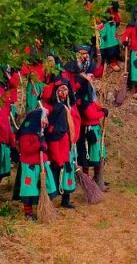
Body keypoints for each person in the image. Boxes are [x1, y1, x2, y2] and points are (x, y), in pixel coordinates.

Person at [12, 107, 58, 219]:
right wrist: (39, 146)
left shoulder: (39, 132)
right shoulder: (25, 134)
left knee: (45, 185)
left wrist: (43, 145)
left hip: (41, 165)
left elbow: (44, 145)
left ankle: (44, 208)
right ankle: (28, 213)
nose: (45, 121)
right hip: (30, 166)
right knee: (29, 188)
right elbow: (25, 149)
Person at [43, 80, 78, 209]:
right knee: (55, 171)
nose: (63, 93)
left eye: (65, 90)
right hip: (57, 145)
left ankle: (65, 199)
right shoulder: (56, 108)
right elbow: (52, 132)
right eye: (60, 91)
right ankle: (50, 200)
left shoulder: (67, 107)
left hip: (67, 144)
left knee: (67, 172)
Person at [74, 75, 107, 186]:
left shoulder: (87, 101)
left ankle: (97, 178)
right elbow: (90, 114)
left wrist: (101, 108)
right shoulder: (82, 102)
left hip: (94, 129)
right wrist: (102, 113)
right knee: (87, 154)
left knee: (97, 153)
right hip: (88, 131)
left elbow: (94, 106)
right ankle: (86, 179)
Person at [85, 0, 121, 68]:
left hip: (109, 21)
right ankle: (99, 60)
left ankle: (113, 60)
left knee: (112, 39)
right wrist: (98, 21)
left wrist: (116, 16)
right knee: (99, 41)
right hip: (97, 22)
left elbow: (115, 9)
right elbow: (89, 9)